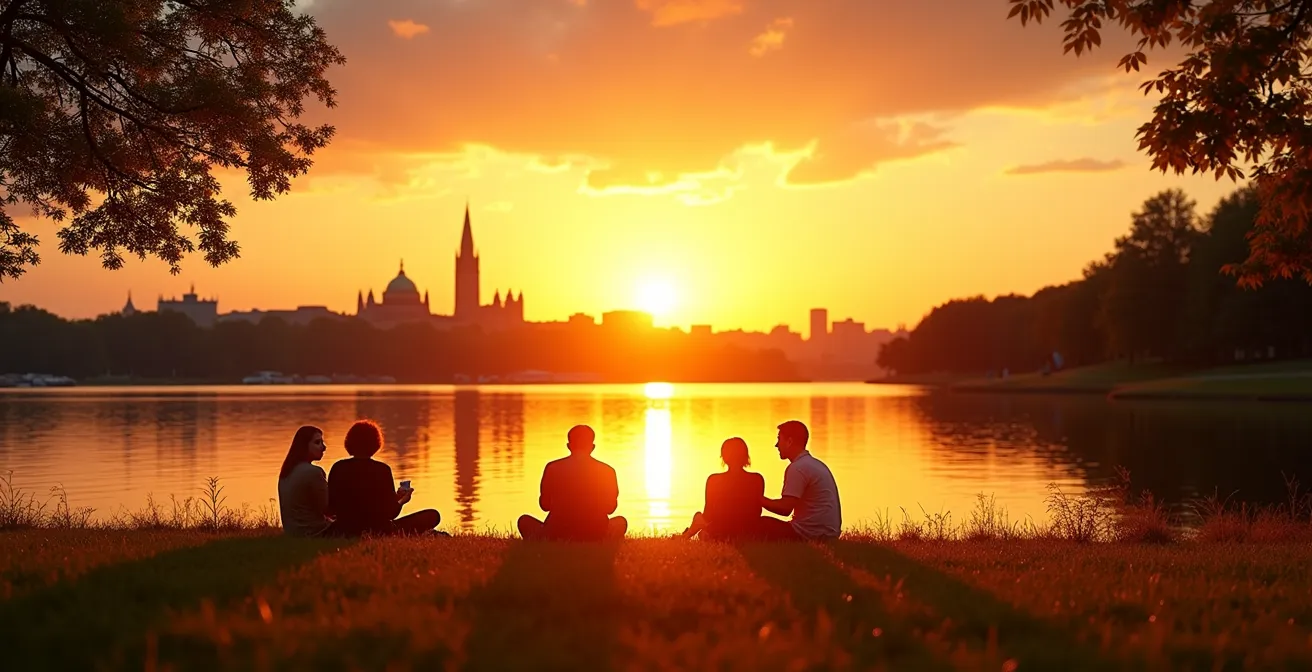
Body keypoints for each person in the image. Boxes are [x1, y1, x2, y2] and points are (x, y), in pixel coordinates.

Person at [326, 420, 441, 536]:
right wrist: (402, 501)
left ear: (349, 442)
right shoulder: (382, 470)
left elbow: (331, 506)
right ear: (376, 443)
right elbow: (391, 513)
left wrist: (394, 498)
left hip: (345, 529)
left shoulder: (338, 467)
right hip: (379, 530)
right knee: (433, 515)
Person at [518, 424, 627, 541]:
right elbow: (610, 508)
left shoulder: (552, 468)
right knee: (621, 522)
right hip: (596, 532)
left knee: (524, 521)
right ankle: (597, 540)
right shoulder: (607, 471)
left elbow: (545, 506)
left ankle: (548, 540)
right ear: (592, 447)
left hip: (557, 532)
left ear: (569, 446)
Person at [758, 420, 842, 541]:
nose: (776, 445)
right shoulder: (816, 464)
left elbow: (785, 509)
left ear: (789, 441)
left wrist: (759, 499)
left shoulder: (797, 468)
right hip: (829, 533)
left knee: (758, 523)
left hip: (810, 534)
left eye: (779, 439)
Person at [682, 437, 768, 541]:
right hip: (749, 531)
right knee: (701, 526)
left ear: (724, 457)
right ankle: (687, 535)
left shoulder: (714, 480)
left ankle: (686, 536)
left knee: (699, 519)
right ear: (745, 456)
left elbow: (708, 513)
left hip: (721, 531)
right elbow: (756, 511)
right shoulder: (757, 479)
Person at [277, 425, 333, 537]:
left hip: (292, 532)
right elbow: (327, 508)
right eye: (317, 443)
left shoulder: (286, 472)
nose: (324, 447)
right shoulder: (314, 472)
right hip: (314, 532)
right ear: (303, 446)